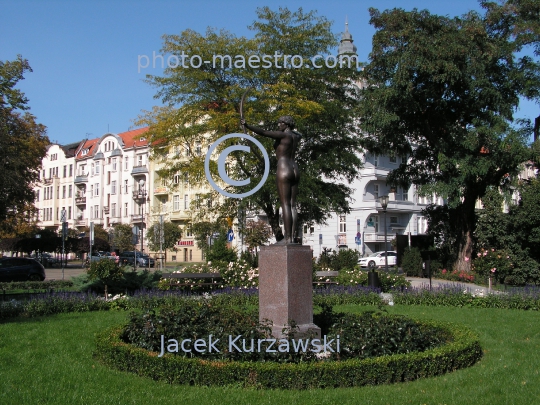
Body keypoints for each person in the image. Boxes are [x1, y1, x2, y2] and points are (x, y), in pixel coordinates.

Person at [241, 116, 301, 244]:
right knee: (293, 205)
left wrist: (247, 126)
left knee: (285, 203)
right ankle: (292, 237)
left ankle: (288, 238)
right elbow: (298, 133)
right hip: (295, 168)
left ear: (287, 124)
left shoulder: (283, 135)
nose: (279, 124)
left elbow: (263, 132)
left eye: (281, 122)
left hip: (284, 167)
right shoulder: (296, 137)